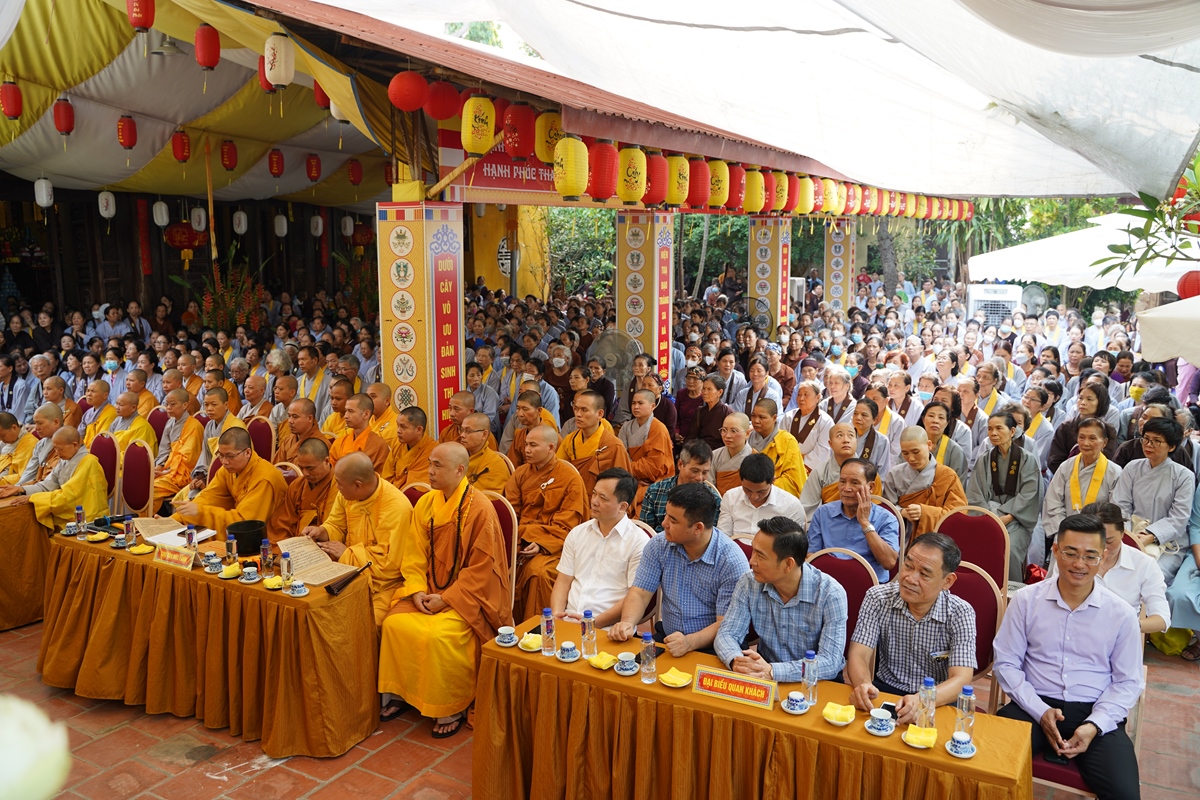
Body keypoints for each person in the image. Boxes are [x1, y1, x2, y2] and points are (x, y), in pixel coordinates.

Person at [994, 514, 1144, 800]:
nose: (1079, 564)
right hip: (1032, 706)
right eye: (1071, 553)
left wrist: (1095, 724)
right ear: (1055, 550)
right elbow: (1006, 663)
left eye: (1090, 556)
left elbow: (1128, 682)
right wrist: (1040, 710)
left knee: (1124, 793)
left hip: (1095, 711)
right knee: (986, 764)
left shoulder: (1121, 614)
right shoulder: (1026, 600)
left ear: (1104, 556)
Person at [377, 442, 513, 737]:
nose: (429, 471)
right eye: (429, 464)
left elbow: (482, 570)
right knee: (393, 624)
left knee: (439, 636)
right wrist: (416, 589)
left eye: (437, 466)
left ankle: (450, 707)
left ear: (459, 470)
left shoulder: (480, 509)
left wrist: (447, 598)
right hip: (428, 589)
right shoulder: (427, 503)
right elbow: (413, 553)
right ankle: (401, 694)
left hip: (468, 596)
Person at [610, 483, 751, 656]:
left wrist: (689, 642)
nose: (664, 523)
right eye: (666, 515)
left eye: (673, 520)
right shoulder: (659, 545)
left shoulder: (730, 560)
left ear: (698, 528)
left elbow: (726, 623)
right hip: (669, 637)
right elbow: (640, 592)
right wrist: (627, 622)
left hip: (717, 644)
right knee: (633, 667)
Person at [847, 533, 976, 721]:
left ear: (947, 581)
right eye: (908, 566)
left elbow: (961, 678)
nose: (910, 578)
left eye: (924, 574)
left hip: (937, 699)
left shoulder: (960, 612)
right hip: (886, 690)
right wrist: (863, 685)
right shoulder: (878, 598)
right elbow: (859, 654)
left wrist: (922, 700)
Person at [714, 516, 848, 680]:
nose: (751, 561)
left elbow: (830, 662)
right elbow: (727, 634)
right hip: (762, 674)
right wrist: (738, 662)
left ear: (788, 564)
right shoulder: (749, 582)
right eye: (753, 551)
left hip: (813, 682)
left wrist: (773, 671)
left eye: (760, 556)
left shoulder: (830, 594)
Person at [302, 451, 412, 627]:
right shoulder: (347, 494)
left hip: (384, 585)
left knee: (363, 623)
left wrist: (347, 553)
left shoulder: (396, 507)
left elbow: (389, 564)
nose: (337, 487)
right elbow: (337, 524)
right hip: (347, 572)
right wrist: (322, 531)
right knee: (313, 607)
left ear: (358, 485)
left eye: (339, 484)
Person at [1037, 502, 1170, 635]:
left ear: (1123, 533)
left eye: (1109, 541)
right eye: (1093, 543)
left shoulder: (1144, 564)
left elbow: (1162, 618)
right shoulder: (1070, 561)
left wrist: (1123, 625)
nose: (1102, 548)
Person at [504, 425, 588, 620]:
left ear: (551, 447)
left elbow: (569, 525)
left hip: (556, 546)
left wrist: (541, 544)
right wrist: (519, 539)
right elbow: (511, 515)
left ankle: (539, 628)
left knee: (538, 572)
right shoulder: (520, 474)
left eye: (533, 445)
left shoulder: (569, 478)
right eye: (526, 445)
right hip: (521, 541)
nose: (527, 450)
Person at [549, 468, 649, 628]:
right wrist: (557, 616)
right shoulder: (578, 533)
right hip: (569, 623)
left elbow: (634, 597)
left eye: (603, 498)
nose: (594, 501)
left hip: (609, 629)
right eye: (594, 494)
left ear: (622, 506)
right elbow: (563, 581)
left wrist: (591, 625)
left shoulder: (639, 542)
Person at [1111, 415, 1195, 583]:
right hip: (1129, 534)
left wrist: (1150, 536)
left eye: (1156, 441)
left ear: (1171, 446)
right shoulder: (1132, 468)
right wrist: (1129, 535)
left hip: (1167, 541)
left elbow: (1179, 518)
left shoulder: (1184, 476)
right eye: (1146, 439)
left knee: (1152, 577)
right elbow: (1120, 505)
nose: (1148, 445)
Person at [966, 412, 1043, 582]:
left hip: (1016, 520)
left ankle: (1011, 592)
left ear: (1012, 431)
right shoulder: (984, 459)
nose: (993, 433)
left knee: (1010, 549)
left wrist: (1007, 517)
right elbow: (975, 493)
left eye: (999, 428)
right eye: (990, 429)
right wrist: (990, 518)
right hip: (987, 517)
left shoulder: (1027, 459)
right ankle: (980, 588)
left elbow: (1029, 494)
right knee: (976, 546)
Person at [172, 427, 286, 536]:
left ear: (247, 452)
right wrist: (172, 521)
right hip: (238, 530)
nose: (224, 462)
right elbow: (207, 498)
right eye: (220, 455)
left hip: (268, 537)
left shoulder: (264, 478)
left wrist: (201, 512)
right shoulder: (228, 471)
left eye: (230, 456)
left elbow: (245, 524)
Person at [807, 458, 900, 581]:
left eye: (854, 483)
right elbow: (812, 556)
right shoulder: (823, 513)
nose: (846, 488)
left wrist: (865, 523)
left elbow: (889, 562)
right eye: (842, 481)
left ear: (871, 487)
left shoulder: (886, 518)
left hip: (869, 587)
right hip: (827, 583)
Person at [0, 427, 107, 529]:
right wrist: (20, 489)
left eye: (59, 449)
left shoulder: (89, 463)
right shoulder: (65, 460)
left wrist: (33, 498)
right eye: (54, 448)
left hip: (85, 520)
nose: (57, 453)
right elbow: (48, 485)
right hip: (64, 511)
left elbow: (68, 497)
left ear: (74, 445)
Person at [1043, 418, 1123, 543]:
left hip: (1098, 534)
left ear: (1104, 442)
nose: (1085, 443)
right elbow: (1053, 503)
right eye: (1081, 437)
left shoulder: (1114, 472)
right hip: (1066, 530)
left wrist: (1096, 533)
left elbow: (1114, 510)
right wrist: (1064, 530)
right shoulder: (1066, 467)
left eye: (1092, 438)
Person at [882, 426, 967, 536]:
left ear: (929, 445)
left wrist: (925, 512)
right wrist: (901, 512)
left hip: (936, 538)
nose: (911, 458)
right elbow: (886, 509)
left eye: (915, 452)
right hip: (899, 535)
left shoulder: (947, 476)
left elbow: (958, 513)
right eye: (905, 453)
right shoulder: (894, 474)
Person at [557, 389, 631, 498]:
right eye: (576, 409)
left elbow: (622, 486)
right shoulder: (570, 440)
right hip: (573, 498)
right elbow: (558, 472)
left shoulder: (613, 445)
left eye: (584, 410)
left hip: (601, 501)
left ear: (600, 414)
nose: (578, 414)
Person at [266, 436, 337, 548]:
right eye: (301, 468)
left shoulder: (341, 487)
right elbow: (282, 524)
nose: (305, 473)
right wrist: (286, 549)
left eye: (310, 468)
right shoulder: (296, 486)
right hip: (297, 548)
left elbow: (340, 528)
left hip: (327, 547)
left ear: (326, 461)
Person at [717, 453, 808, 539]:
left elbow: (792, 544)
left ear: (773, 481)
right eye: (748, 490)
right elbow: (723, 535)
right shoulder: (730, 497)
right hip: (735, 547)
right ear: (740, 480)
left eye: (761, 491)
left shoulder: (791, 506)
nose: (754, 497)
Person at [639, 439, 720, 533]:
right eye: (695, 471)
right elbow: (646, 532)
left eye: (705, 472)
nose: (700, 478)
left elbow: (710, 535)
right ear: (680, 464)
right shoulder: (655, 491)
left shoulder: (714, 500)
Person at [616, 388, 674, 514]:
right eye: (633, 403)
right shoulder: (626, 427)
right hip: (629, 480)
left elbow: (653, 467)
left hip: (653, 483)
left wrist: (629, 468)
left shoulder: (658, 429)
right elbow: (620, 457)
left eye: (640, 403)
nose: (636, 407)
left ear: (652, 406)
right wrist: (631, 475)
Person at [152, 388, 204, 510]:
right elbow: (164, 449)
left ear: (185, 405)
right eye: (167, 404)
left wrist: (166, 472)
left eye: (172, 404)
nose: (168, 408)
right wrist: (158, 467)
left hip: (182, 475)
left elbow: (188, 459)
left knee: (150, 488)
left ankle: (151, 518)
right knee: (141, 481)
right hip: (168, 470)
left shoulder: (195, 426)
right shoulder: (170, 423)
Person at [748, 398, 805, 498]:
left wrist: (764, 487)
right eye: (753, 416)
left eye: (762, 417)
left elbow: (793, 480)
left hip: (776, 497)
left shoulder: (787, 441)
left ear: (774, 418)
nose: (756, 421)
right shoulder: (747, 437)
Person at [780, 380, 834, 473]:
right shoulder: (789, 416)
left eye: (806, 394)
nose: (801, 398)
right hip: (785, 464)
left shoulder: (826, 421)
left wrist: (799, 464)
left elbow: (822, 451)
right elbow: (780, 441)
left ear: (817, 397)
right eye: (799, 394)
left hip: (809, 470)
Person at [328, 393, 390, 475]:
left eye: (350, 411)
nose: (346, 416)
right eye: (346, 411)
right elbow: (330, 470)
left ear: (366, 414)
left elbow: (378, 477)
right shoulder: (339, 442)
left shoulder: (379, 445)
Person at [458, 411, 512, 492]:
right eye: (461, 430)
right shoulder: (457, 457)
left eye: (468, 431)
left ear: (484, 434)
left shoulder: (495, 464)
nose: (462, 435)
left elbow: (488, 497)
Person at [12, 403, 63, 486]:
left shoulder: (68, 443)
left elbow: (54, 481)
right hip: (37, 486)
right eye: (35, 423)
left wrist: (22, 490)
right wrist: (17, 488)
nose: (36, 428)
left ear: (56, 422)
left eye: (40, 423)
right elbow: (29, 473)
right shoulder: (40, 444)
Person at [388, 406, 436, 488]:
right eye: (398, 426)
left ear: (419, 430)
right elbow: (387, 477)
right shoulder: (397, 447)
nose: (398, 431)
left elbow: (423, 486)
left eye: (403, 427)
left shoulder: (433, 451)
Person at [273, 398, 328, 465]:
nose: (290, 421)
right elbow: (276, 466)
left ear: (310, 418)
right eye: (289, 416)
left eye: (295, 416)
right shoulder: (288, 440)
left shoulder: (321, 445)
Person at [710, 412, 753, 494]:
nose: (727, 436)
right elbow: (709, 487)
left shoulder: (755, 458)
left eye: (734, 431)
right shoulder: (714, 456)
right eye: (724, 430)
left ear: (747, 433)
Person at [850, 398, 891, 477]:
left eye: (864, 415)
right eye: (855, 413)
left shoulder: (882, 441)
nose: (858, 417)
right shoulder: (846, 436)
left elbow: (883, 472)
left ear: (874, 420)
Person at [78, 380, 116, 447]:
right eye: (88, 391)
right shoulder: (88, 413)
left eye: (93, 391)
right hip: (83, 448)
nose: (89, 394)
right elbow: (79, 435)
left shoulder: (111, 413)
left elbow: (102, 439)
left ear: (105, 395)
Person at [0, 412, 35, 484]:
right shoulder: (5, 443)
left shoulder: (31, 444)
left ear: (14, 427)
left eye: (3, 436)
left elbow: (24, 477)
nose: (1, 440)